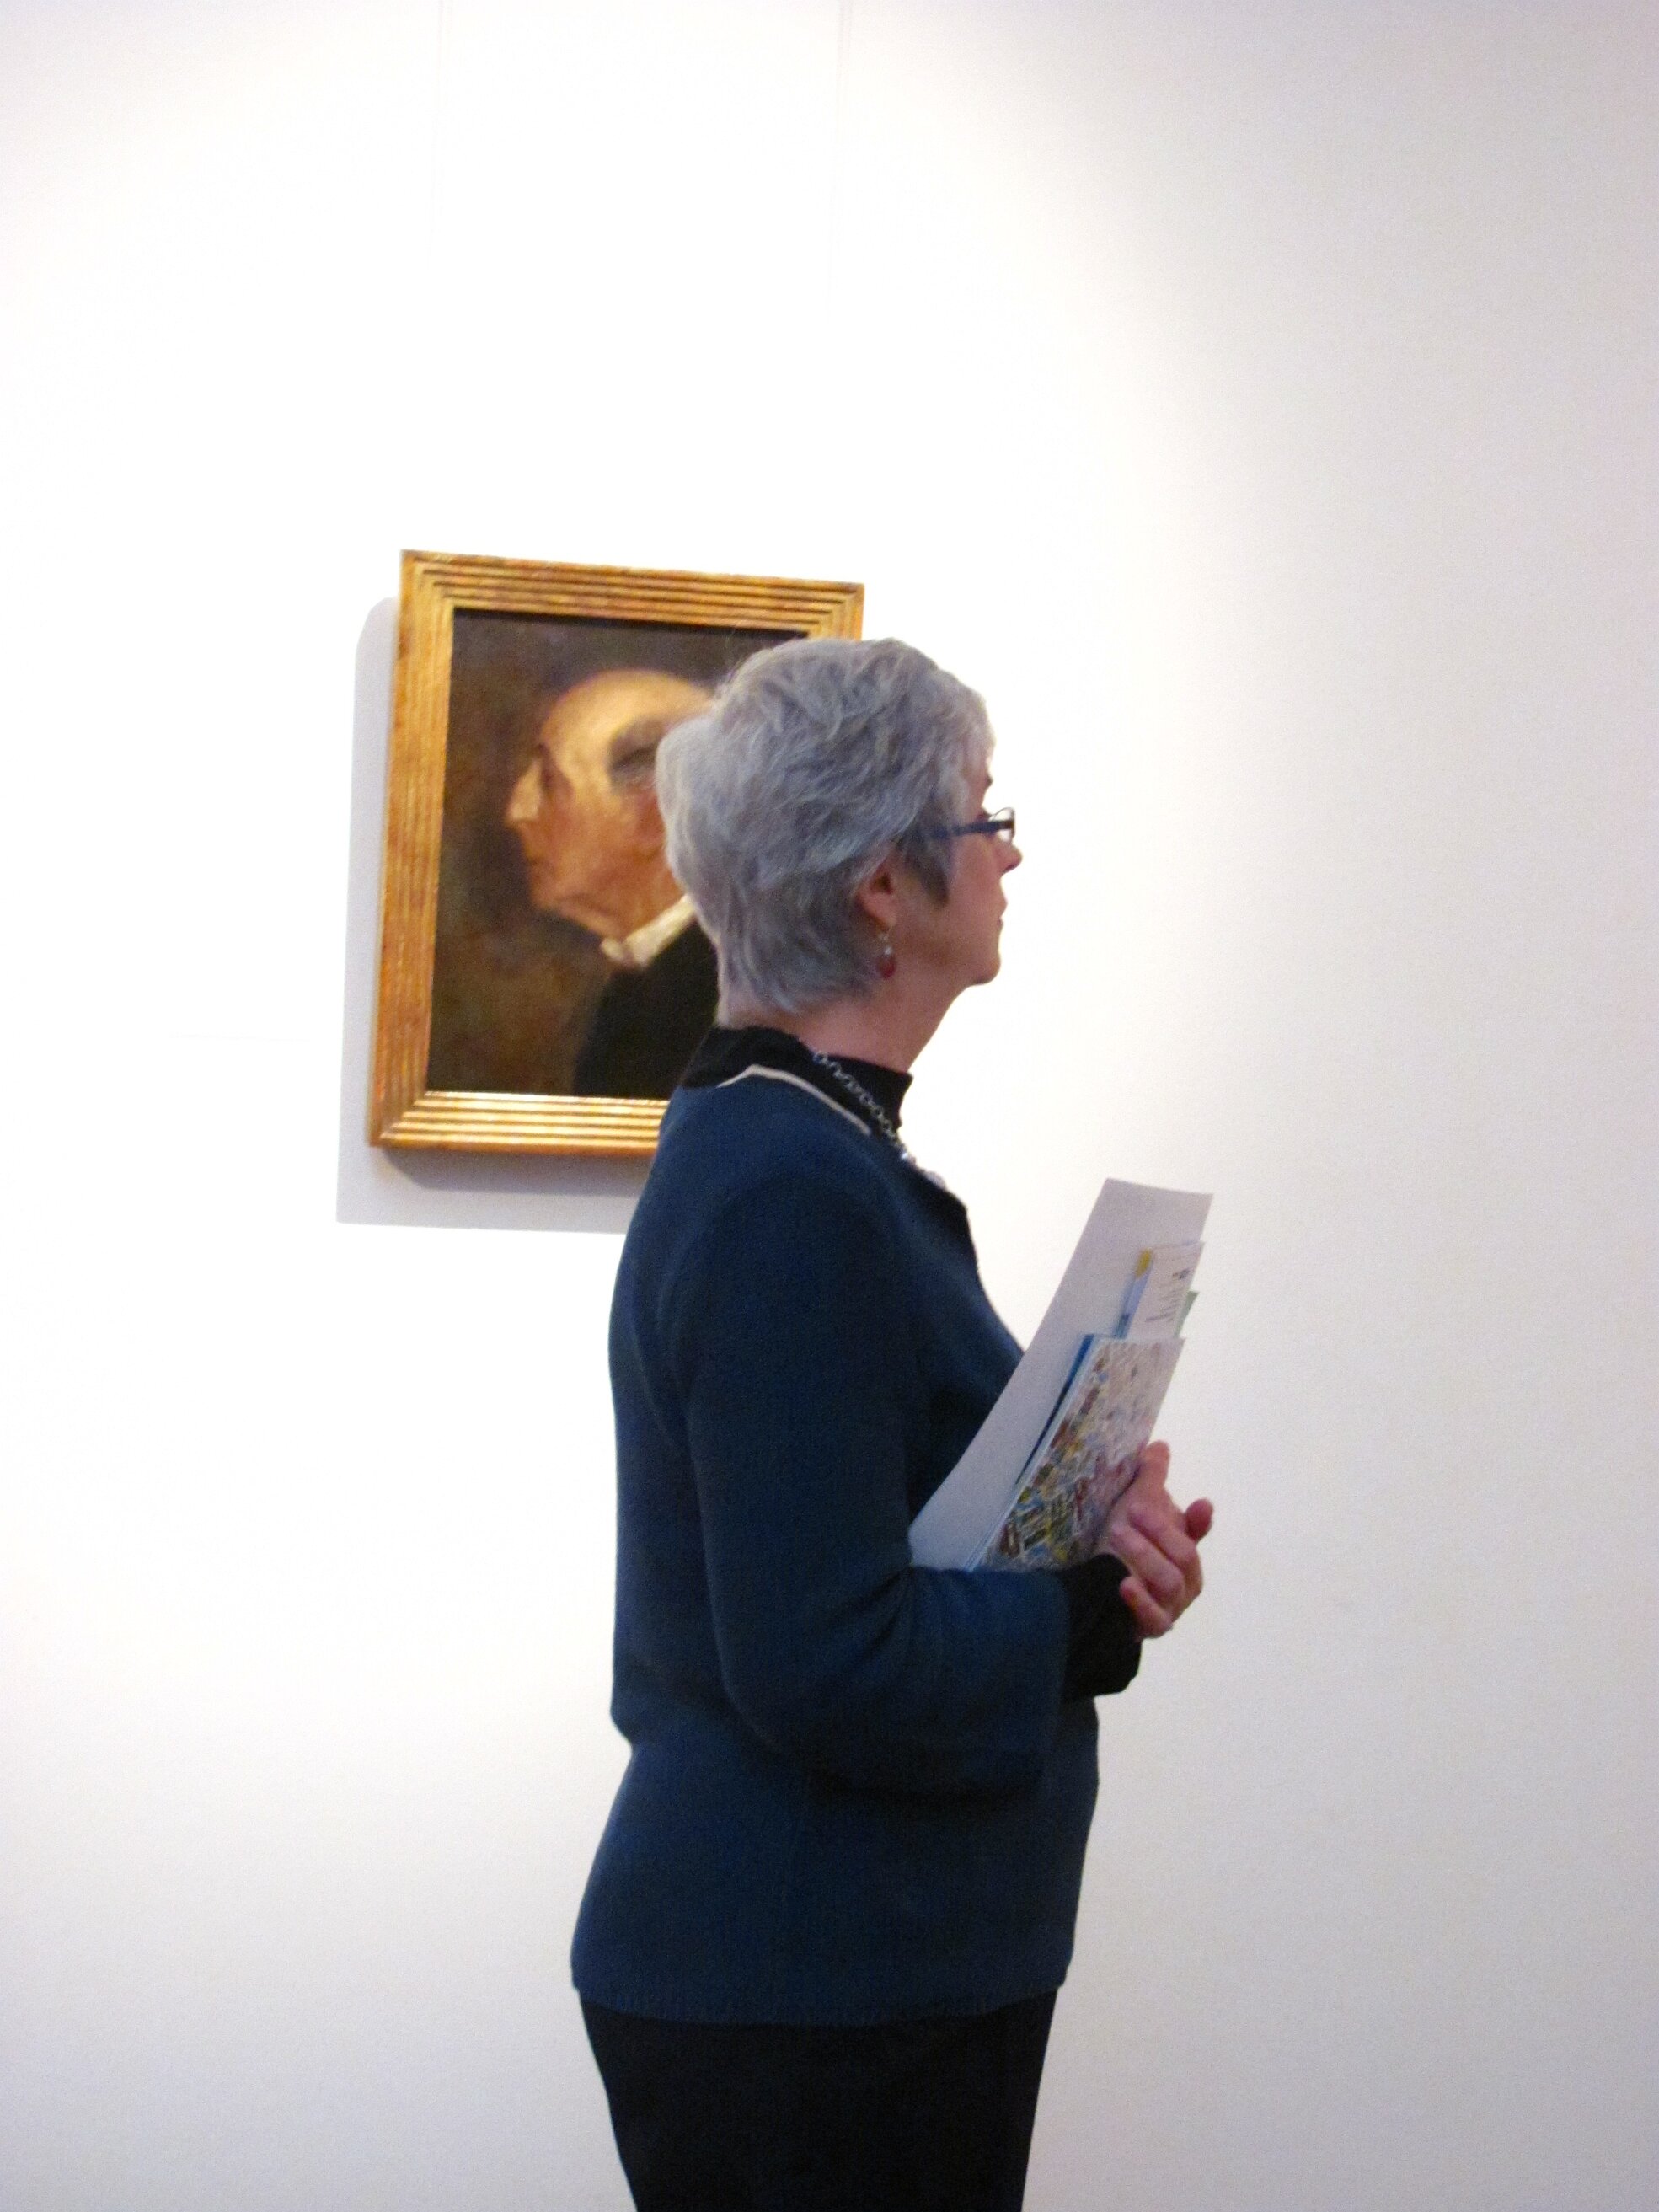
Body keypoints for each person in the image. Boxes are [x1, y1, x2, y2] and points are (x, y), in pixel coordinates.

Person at [571, 638, 1212, 2212]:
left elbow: (877, 1551)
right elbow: (822, 1656)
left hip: (850, 1967)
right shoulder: (788, 1189)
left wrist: (1089, 1538)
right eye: (982, 816)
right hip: (811, 1986)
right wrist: (1072, 1615)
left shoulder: (799, 1153)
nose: (1006, 857)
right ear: (880, 883)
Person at [504, 667, 719, 1096]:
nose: (517, 812)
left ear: (653, 816)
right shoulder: (642, 985)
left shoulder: (729, 1000)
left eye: (549, 783)